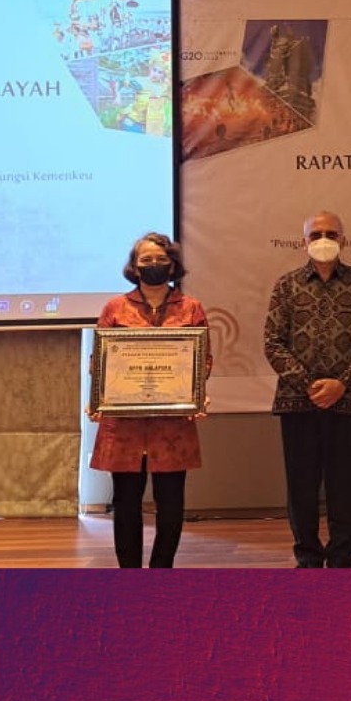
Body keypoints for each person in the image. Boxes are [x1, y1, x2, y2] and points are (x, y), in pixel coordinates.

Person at [264, 211, 351, 568]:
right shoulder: (286, 285)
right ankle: (308, 558)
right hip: (297, 401)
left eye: (331, 233)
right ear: (304, 242)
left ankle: (343, 558)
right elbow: (273, 343)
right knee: (301, 485)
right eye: (316, 234)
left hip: (347, 400)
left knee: (345, 486)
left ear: (344, 240)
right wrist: (309, 385)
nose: (324, 239)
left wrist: (341, 383)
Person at [89, 232, 211, 568]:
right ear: (134, 266)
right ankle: (130, 577)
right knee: (125, 503)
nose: (153, 265)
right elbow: (99, 361)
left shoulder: (191, 308)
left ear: (172, 265)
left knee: (171, 504)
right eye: (146, 260)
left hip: (172, 424)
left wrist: (196, 393)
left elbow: (203, 360)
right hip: (123, 426)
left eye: (160, 259)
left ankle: (161, 573)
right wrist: (98, 397)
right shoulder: (115, 308)